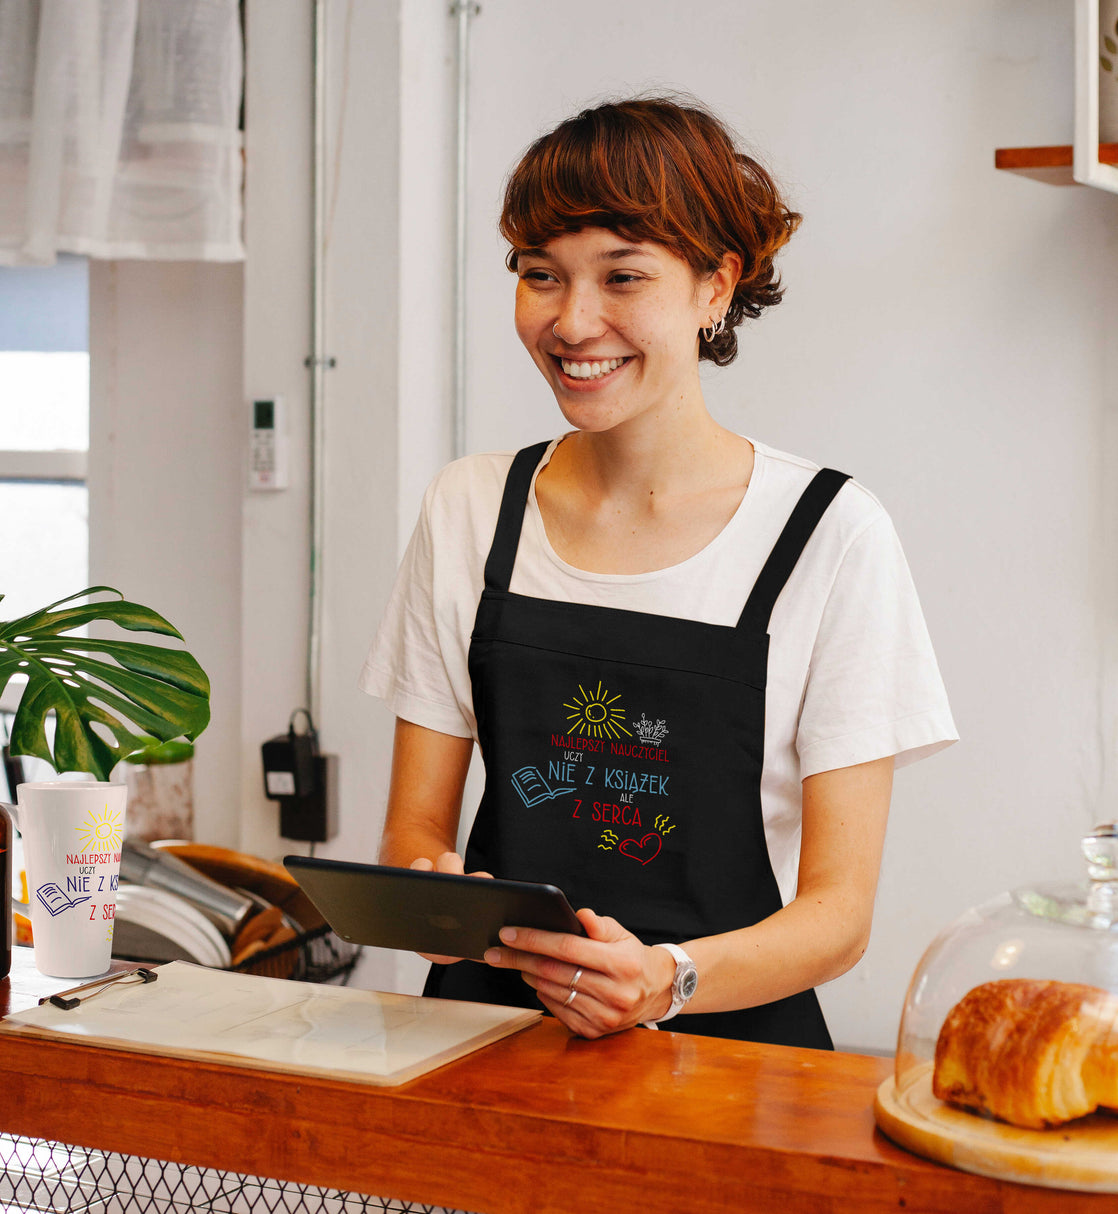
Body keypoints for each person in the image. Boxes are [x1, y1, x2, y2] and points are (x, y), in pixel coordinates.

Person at [360, 94, 956, 1049]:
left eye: (622, 276)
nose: (573, 320)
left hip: (729, 1063)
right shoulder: (471, 510)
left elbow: (839, 918)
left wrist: (663, 980)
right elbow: (410, 835)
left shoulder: (829, 535)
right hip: (484, 1049)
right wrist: (434, 893)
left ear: (717, 286)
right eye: (540, 275)